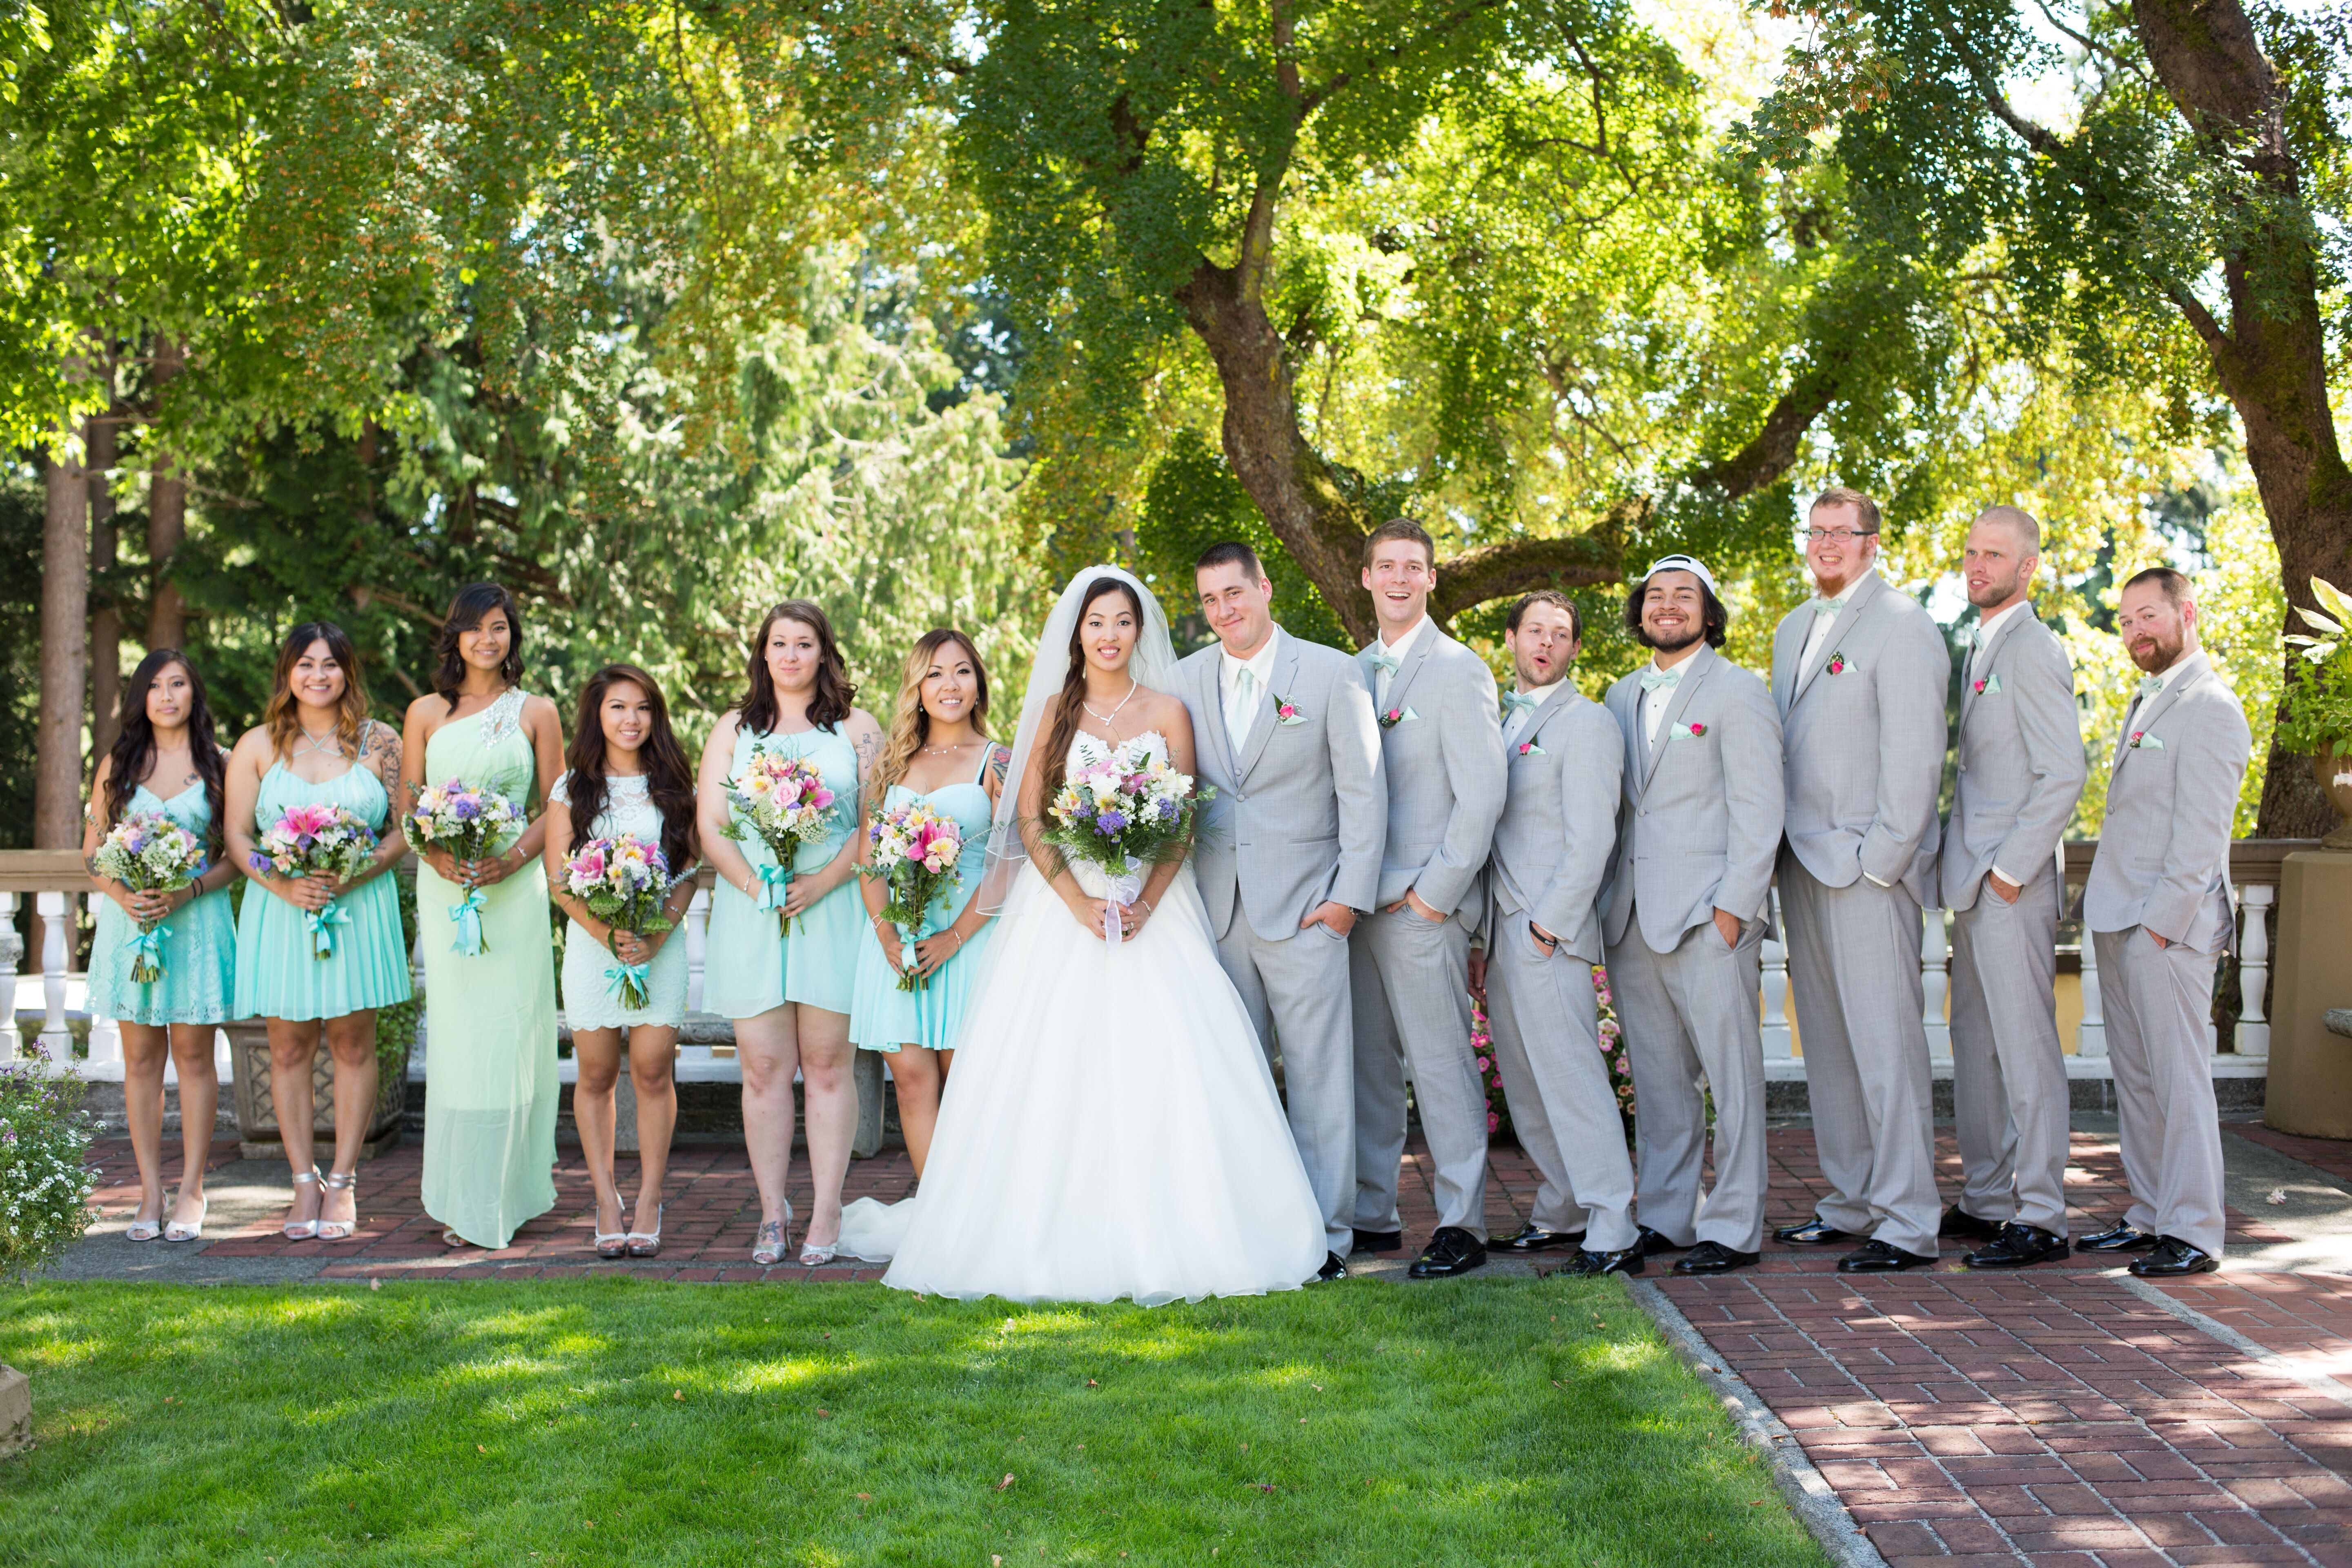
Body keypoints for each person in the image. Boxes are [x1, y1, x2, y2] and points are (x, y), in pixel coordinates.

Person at [836, 567, 1327, 1304]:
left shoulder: (1167, 712)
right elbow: (1031, 821)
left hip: (1151, 918)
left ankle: (1186, 1230)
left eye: (1122, 622)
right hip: (1062, 916)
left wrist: (1147, 904)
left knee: (1165, 1067)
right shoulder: (1052, 716)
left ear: (1139, 631)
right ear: (1077, 633)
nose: (1109, 636)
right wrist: (1074, 898)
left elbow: (1183, 819)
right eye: (1096, 623)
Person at [1175, 542, 1384, 1281]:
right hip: (1216, 913)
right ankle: (1253, 1227)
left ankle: (1327, 1237)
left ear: (1265, 588)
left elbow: (1363, 793)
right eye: (1209, 601)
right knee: (1234, 1080)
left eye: (1235, 593)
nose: (1225, 611)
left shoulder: (1331, 672)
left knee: (1321, 1078)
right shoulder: (1180, 682)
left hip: (1307, 912)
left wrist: (1345, 903)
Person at [1768, 488, 1952, 1274]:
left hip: (1867, 871)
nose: (1828, 545)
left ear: (1873, 543)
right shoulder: (1790, 630)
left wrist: (1880, 865)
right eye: (1818, 532)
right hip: (1801, 867)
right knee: (1833, 1050)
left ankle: (1908, 1219)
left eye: (1843, 533)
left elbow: (1917, 761)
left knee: (1886, 1048)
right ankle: (1849, 1202)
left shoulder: (1905, 627)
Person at [1601, 558, 1784, 1276]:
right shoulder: (1618, 696)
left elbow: (1761, 806)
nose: (1667, 606)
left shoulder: (1739, 693)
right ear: (1640, 612)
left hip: (1710, 918)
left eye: (1685, 596)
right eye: (1655, 596)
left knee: (1732, 1080)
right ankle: (1669, 1219)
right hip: (1634, 919)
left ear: (1710, 616)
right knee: (1659, 1083)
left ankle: (1734, 1227)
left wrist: (1733, 909)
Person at [696, 601, 884, 1266]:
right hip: (755, 913)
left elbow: (873, 821)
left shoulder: (857, 729)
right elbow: (712, 824)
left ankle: (827, 1208)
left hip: (830, 907)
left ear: (824, 652)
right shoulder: (734, 729)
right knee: (765, 1069)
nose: (791, 655)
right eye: (779, 643)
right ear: (764, 653)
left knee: (830, 1066)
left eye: (805, 643)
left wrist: (824, 881)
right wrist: (756, 887)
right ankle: (774, 1210)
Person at [2077, 567, 2250, 1278]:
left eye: (2148, 616)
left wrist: (2160, 927)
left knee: (2180, 1083)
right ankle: (2150, 1213)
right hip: (2122, 917)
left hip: (2167, 927)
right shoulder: (2150, 699)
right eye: (2125, 621)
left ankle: (2195, 1231)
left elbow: (2201, 836)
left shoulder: (2210, 706)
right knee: (2140, 1080)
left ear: (2187, 614)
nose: (2135, 631)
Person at [1350, 519, 1507, 1279]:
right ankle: (1374, 1212)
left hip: (1421, 906)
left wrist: (1434, 898)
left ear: (1432, 579)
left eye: (1414, 567)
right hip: (1356, 907)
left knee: (1441, 1065)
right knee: (1368, 1067)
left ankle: (1462, 1223)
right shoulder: (1347, 672)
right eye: (1387, 567)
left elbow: (1482, 798)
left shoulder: (1460, 669)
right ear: (1368, 577)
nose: (1400, 579)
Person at [1470, 590, 1642, 1276]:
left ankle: (1613, 1222)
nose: (1545, 643)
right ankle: (1563, 1206)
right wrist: (1485, 941)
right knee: (1527, 1082)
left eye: (1561, 634)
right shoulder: (1499, 721)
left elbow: (1594, 835)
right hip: (1499, 930)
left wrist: (1549, 927)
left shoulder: (1589, 723)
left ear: (1574, 650)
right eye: (1534, 630)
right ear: (1511, 638)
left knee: (1571, 1079)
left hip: (1547, 933)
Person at [225, 622, 413, 1242]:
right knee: (287, 1048)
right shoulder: (257, 745)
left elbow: (402, 830)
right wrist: (283, 885)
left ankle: (344, 1181)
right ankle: (302, 1181)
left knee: (354, 1045)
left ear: (346, 673)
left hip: (358, 905)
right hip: (281, 911)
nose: (318, 676)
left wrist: (356, 872)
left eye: (330, 664)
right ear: (288, 674)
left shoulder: (380, 741)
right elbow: (238, 838)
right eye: (305, 664)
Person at [1940, 508, 2087, 1269]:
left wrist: (2007, 872)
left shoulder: (2033, 647)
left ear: (2027, 567)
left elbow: (2064, 771)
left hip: (2009, 882)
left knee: (2026, 1048)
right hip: (1973, 881)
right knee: (1976, 1043)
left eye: (1993, 555)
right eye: (1970, 553)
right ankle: (1989, 1197)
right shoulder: (1981, 644)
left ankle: (2042, 1215)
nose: (1976, 566)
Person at [401, 582, 566, 1251]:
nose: (488, 640)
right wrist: (438, 855)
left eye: (499, 628)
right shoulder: (424, 713)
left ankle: (510, 1189)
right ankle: (461, 1192)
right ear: (456, 638)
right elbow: (411, 804)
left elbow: (557, 803)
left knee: (511, 1034)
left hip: (513, 889)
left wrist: (513, 860)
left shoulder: (537, 711)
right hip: (447, 893)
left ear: (512, 637)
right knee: (462, 1040)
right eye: (475, 629)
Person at [543, 665, 701, 1260]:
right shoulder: (572, 790)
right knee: (596, 1075)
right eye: (617, 707)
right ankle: (607, 1200)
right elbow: (561, 881)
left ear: (655, 716)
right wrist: (605, 932)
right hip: (594, 946)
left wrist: (657, 935)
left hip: (658, 945)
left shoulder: (674, 786)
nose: (630, 719)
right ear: (598, 715)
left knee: (655, 1070)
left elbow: (688, 875)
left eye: (642, 708)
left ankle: (649, 1200)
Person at [83, 651, 239, 1243]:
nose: (167, 696)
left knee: (195, 1058)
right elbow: (92, 856)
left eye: (178, 685)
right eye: (155, 686)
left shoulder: (220, 766)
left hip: (195, 925)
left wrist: (188, 889)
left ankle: (194, 1188)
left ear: (194, 695)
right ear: (140, 698)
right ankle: (151, 1191)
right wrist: (126, 898)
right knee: (142, 1061)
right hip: (132, 926)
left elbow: (234, 857)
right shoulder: (117, 765)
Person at [846, 630, 1009, 1176]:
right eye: (935, 673)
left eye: (962, 671)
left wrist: (955, 936)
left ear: (979, 684)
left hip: (970, 939)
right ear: (917, 687)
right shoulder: (891, 767)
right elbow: (869, 863)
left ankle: (974, 1219)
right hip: (899, 942)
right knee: (913, 1084)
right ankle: (933, 1217)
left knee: (967, 1084)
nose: (950, 685)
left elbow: (1011, 863)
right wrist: (887, 935)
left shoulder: (998, 761)